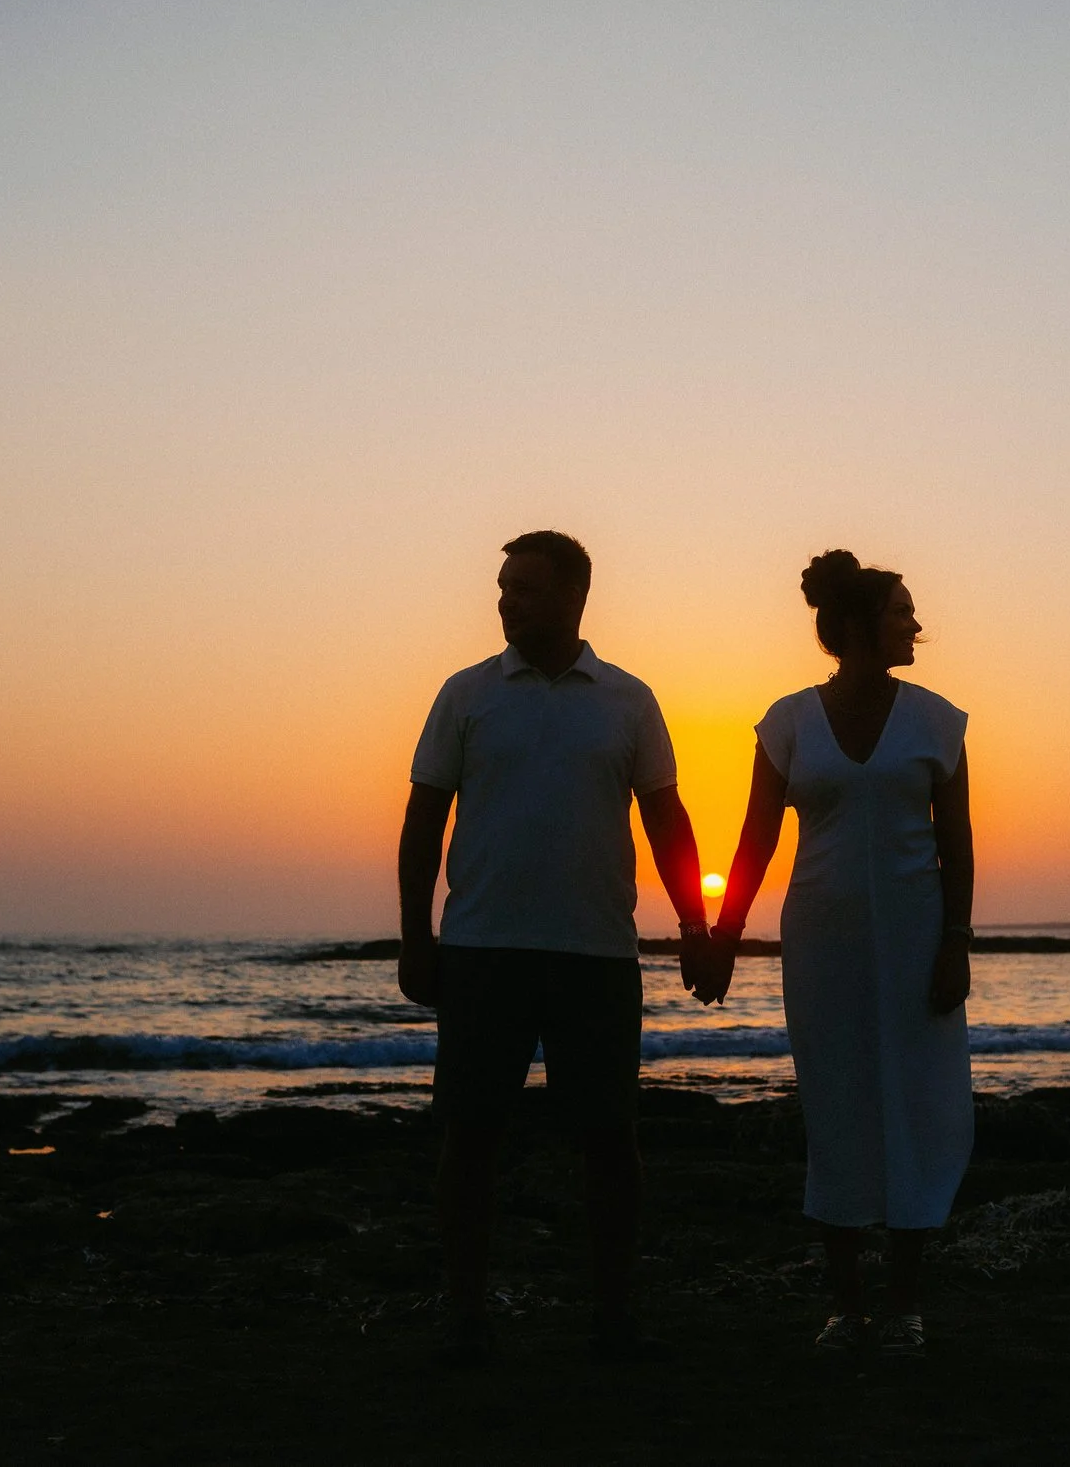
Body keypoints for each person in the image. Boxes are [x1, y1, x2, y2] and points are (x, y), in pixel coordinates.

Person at [397, 530, 713, 1369]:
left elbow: (666, 819)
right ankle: (465, 1314)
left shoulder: (627, 699)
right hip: (482, 950)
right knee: (470, 1135)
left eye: (524, 588)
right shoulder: (466, 695)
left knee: (610, 1139)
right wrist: (415, 935)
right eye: (502, 587)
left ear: (575, 595)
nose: (505, 600)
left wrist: (694, 924)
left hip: (594, 954)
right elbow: (423, 817)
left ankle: (613, 1319)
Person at [701, 548, 974, 1358]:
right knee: (838, 1111)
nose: (916, 623)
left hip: (919, 939)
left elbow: (955, 844)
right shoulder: (786, 722)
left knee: (920, 1108)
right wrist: (723, 936)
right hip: (820, 943)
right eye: (901, 611)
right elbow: (753, 841)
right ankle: (847, 1307)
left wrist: (955, 940)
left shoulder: (938, 720)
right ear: (856, 626)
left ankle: (906, 1305)